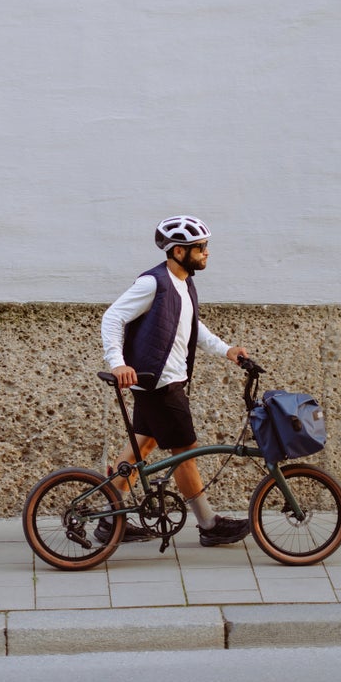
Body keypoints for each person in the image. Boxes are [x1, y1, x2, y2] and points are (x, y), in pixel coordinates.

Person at [100, 215, 253, 547]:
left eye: (205, 246)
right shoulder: (153, 283)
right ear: (179, 252)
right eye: (200, 247)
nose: (207, 252)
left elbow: (193, 328)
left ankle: (108, 521)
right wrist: (117, 362)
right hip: (160, 384)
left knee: (142, 446)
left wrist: (228, 350)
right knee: (185, 450)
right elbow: (113, 316)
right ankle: (209, 524)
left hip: (165, 381)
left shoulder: (184, 283)